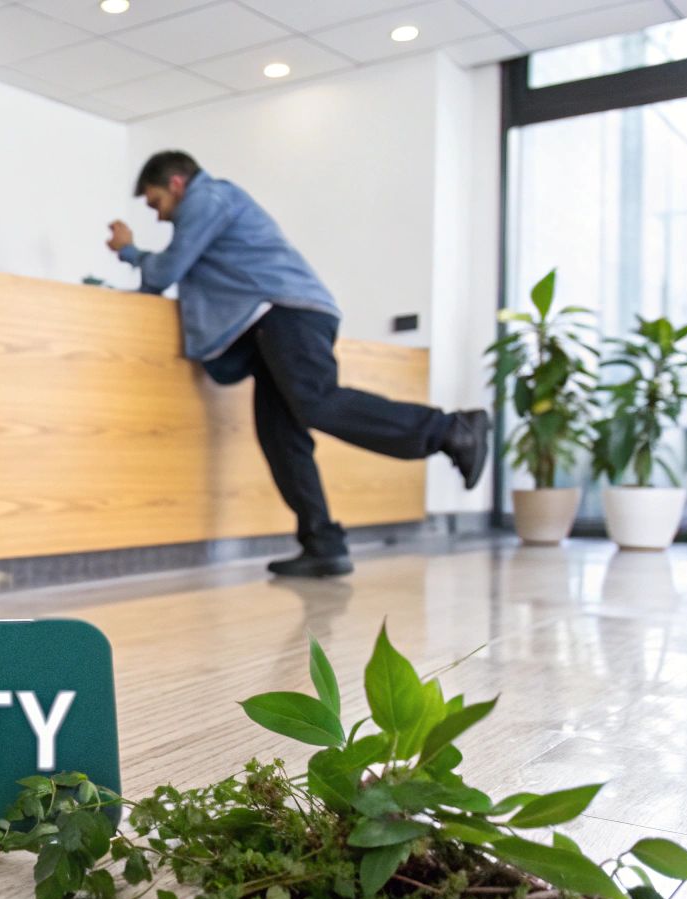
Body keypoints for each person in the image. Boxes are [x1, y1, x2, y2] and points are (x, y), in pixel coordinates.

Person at [108, 150, 489, 578]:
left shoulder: (207, 198)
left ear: (177, 183)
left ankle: (450, 430)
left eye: (156, 202)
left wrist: (129, 251)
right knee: (280, 436)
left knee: (316, 402)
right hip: (271, 322)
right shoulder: (211, 204)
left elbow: (165, 272)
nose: (158, 216)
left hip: (287, 314)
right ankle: (322, 543)